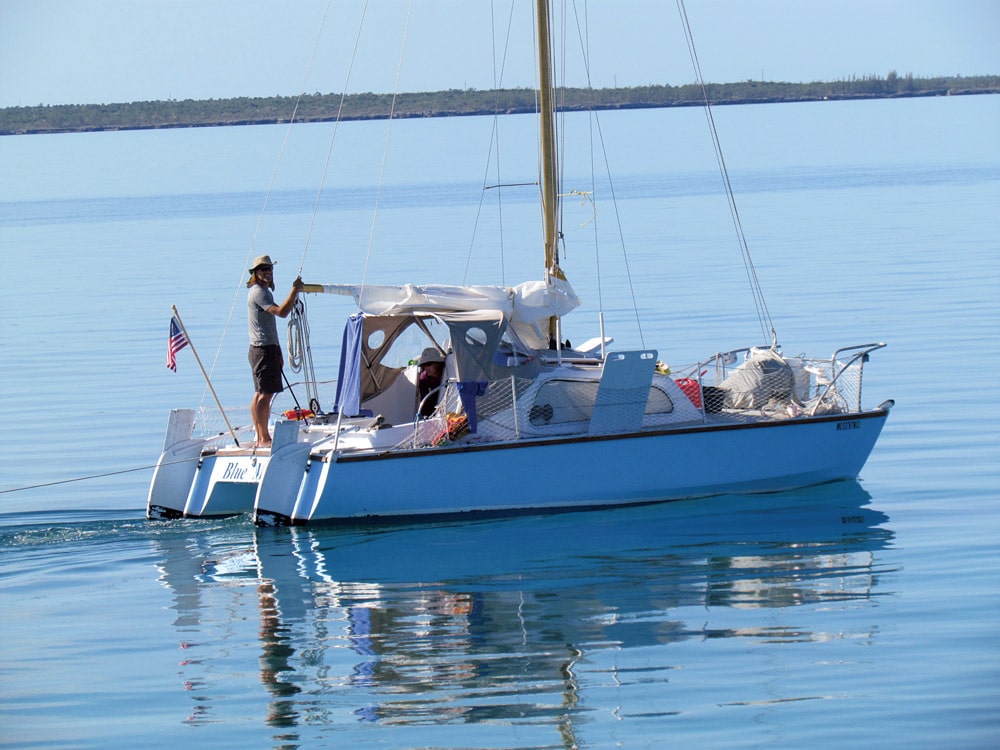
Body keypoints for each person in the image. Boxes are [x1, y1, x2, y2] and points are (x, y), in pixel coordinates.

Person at [246, 254, 304, 447]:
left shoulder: (263, 291)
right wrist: (295, 290)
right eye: (263, 270)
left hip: (265, 348)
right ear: (255, 273)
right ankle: (263, 438)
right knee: (265, 394)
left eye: (269, 269)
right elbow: (281, 312)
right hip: (262, 350)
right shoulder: (259, 293)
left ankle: (260, 435)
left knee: (260, 392)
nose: (267, 272)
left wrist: (277, 350)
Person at [416, 347, 446, 418]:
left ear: (437, 364)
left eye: (429, 364)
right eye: (424, 365)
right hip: (436, 411)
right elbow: (425, 401)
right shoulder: (423, 379)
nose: (426, 368)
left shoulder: (447, 371)